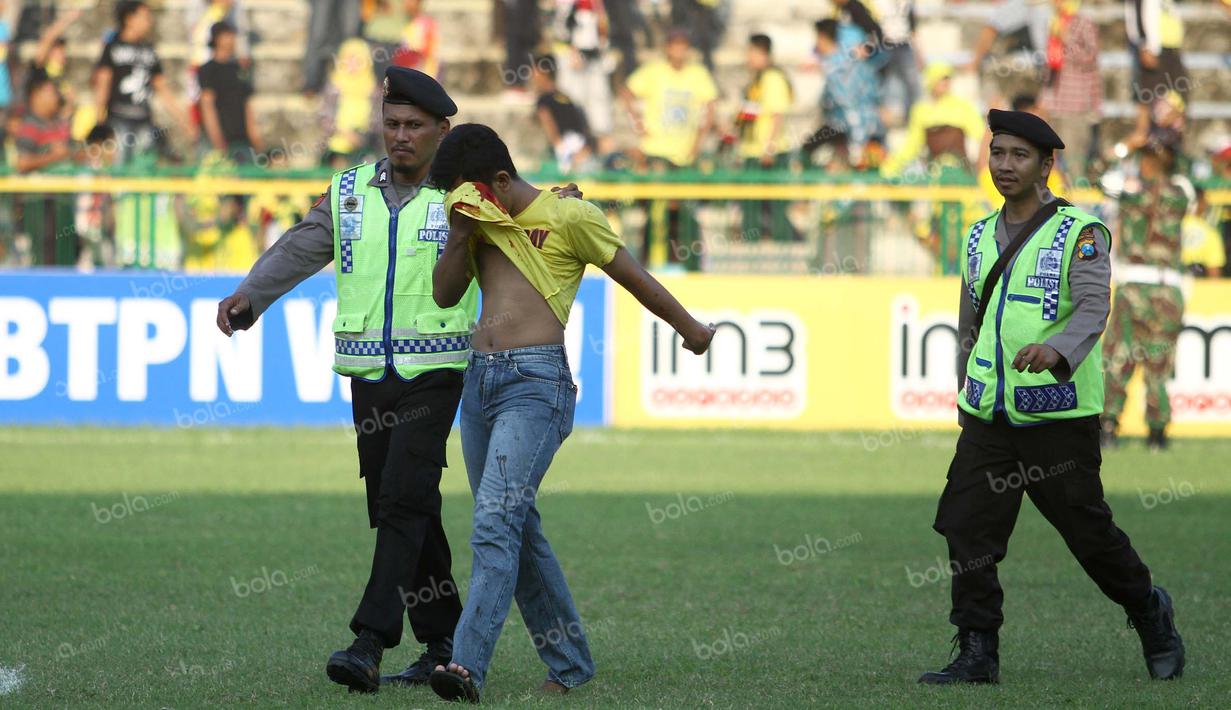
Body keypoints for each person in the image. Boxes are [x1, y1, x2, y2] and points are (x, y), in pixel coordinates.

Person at [215, 67, 582, 695]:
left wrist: (556, 197)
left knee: (403, 497)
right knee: (403, 505)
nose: (400, 136)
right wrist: (253, 293)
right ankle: (441, 641)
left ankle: (369, 640)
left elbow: (524, 213)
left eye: (414, 126)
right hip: (368, 372)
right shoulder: (349, 190)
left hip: (441, 368)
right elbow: (303, 246)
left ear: (443, 130)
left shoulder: (462, 195)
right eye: (391, 124)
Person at [424, 123, 715, 702]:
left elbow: (634, 277)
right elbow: (444, 295)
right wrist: (460, 235)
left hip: (537, 385)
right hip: (478, 386)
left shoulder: (570, 217)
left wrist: (692, 330)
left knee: (493, 523)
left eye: (469, 192)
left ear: (500, 181)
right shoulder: (476, 216)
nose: (461, 202)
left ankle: (464, 666)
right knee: (515, 527)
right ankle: (571, 665)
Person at [921, 109, 1184, 685]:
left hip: (1058, 414)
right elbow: (971, 311)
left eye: (1019, 155)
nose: (1005, 166)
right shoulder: (975, 234)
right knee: (968, 527)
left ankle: (1149, 610)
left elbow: (1094, 306)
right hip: (990, 414)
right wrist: (964, 371)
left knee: (1087, 534)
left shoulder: (1080, 231)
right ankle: (977, 652)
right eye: (997, 154)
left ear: (1047, 164)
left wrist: (1058, 351)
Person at [1101, 140, 1189, 450]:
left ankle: (1109, 426)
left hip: (1135, 284)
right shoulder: (1180, 194)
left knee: (1118, 357)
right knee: (1159, 363)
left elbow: (1100, 178)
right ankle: (1157, 433)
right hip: (1169, 288)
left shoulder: (1131, 191)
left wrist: (1123, 148)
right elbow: (1192, 190)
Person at [620, 28, 718, 270]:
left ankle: (686, 262)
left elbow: (711, 106)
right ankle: (649, 263)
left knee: (686, 212)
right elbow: (626, 91)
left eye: (683, 45)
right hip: (657, 151)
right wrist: (638, 122)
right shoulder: (654, 71)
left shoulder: (698, 74)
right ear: (667, 47)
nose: (679, 50)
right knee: (657, 211)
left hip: (685, 155)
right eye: (675, 45)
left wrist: (699, 139)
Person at [94, 1, 195, 163]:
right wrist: (99, 121)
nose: (149, 21)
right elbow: (103, 82)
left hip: (144, 121)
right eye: (145, 17)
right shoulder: (112, 47)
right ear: (129, 19)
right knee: (120, 167)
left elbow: (161, 86)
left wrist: (183, 120)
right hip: (118, 120)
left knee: (145, 168)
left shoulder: (149, 50)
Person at [735, 33, 795, 241]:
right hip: (752, 150)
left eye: (751, 52)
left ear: (763, 53)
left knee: (776, 204)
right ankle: (751, 244)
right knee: (751, 204)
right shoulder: (756, 80)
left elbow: (777, 114)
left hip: (770, 151)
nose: (748, 57)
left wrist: (768, 147)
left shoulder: (773, 78)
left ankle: (783, 244)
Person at [804, 18, 884, 170]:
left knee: (808, 150)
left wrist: (856, 146)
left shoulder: (837, 66)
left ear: (822, 37)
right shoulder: (846, 62)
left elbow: (848, 104)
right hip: (862, 125)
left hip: (856, 127)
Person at [881, 62, 983, 178]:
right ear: (931, 81)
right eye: (941, 79)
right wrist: (891, 167)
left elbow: (981, 135)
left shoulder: (963, 107)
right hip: (935, 173)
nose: (945, 83)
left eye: (947, 79)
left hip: (961, 172)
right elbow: (912, 145)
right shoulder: (921, 110)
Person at [1040, 0, 1101, 181]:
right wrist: (1044, 99)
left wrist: (1067, 38)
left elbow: (1090, 57)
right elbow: (1051, 65)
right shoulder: (1055, 22)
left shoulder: (1083, 23)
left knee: (1075, 162)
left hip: (1076, 105)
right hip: (1055, 103)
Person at [551, 0, 614, 156]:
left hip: (594, 55)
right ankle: (574, 149)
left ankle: (602, 146)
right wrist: (571, 49)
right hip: (572, 56)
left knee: (599, 98)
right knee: (572, 100)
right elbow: (562, 25)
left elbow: (601, 21)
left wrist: (602, 45)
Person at [1124, 0, 1188, 150]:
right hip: (1154, 50)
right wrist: (1145, 44)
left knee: (1178, 102)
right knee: (1148, 103)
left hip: (1170, 48)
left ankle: (1172, 152)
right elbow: (1138, 11)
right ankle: (1133, 149)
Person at [198, 21, 264, 163]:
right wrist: (217, 141)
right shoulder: (208, 70)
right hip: (218, 142)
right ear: (217, 39)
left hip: (242, 140)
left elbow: (246, 105)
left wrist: (255, 138)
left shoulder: (239, 70)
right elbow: (207, 106)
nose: (232, 39)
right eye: (228, 35)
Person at [531, 54, 596, 173]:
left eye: (534, 71)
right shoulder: (565, 96)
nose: (532, 76)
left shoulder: (543, 100)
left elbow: (548, 122)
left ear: (543, 72)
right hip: (582, 149)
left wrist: (559, 147)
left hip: (566, 151)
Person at [1182, 186, 1226, 278]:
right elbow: (1214, 275)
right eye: (1204, 200)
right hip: (1195, 284)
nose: (1206, 204)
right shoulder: (1210, 233)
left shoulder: (1169, 225)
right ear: (1199, 203)